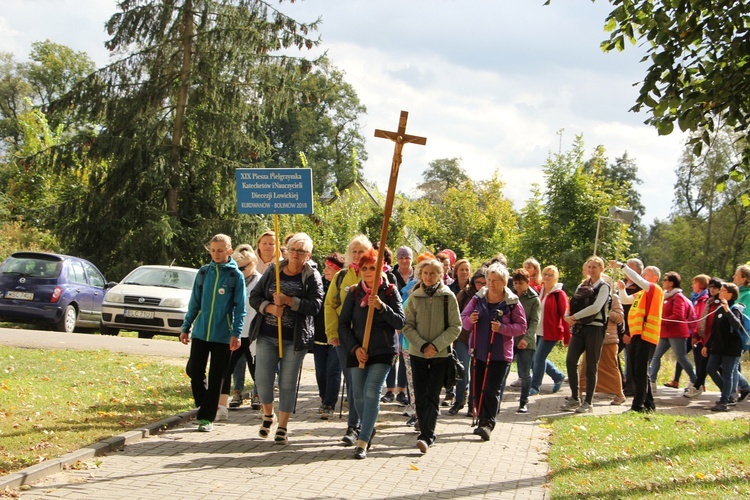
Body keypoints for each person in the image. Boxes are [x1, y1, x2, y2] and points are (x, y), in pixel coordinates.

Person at [249, 232, 323, 445]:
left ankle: (282, 426)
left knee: (287, 383)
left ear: (308, 255)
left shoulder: (311, 276)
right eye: (293, 250)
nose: (296, 255)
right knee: (262, 379)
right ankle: (267, 415)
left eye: (301, 251)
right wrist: (270, 307)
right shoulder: (274, 270)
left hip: (295, 339)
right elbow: (254, 297)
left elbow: (315, 306)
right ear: (287, 251)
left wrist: (290, 301)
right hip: (267, 335)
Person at [338, 249, 405, 459]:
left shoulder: (389, 291)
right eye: (365, 268)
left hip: (383, 351)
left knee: (371, 391)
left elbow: (400, 322)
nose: (368, 272)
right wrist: (355, 348)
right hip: (358, 350)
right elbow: (342, 324)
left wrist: (382, 307)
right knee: (357, 395)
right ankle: (368, 426)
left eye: (372, 268)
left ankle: (363, 440)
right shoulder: (354, 292)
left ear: (380, 269)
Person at [180, 234, 246, 432]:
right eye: (213, 250)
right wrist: (186, 326)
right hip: (200, 332)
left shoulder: (235, 276)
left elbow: (240, 307)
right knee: (194, 371)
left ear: (229, 250)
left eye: (220, 250)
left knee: (217, 376)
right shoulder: (203, 273)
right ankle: (205, 404)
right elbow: (194, 302)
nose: (216, 254)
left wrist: (236, 332)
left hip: (223, 335)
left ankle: (206, 419)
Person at [402, 258, 461, 454]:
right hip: (417, 353)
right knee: (420, 395)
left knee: (433, 395)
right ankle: (425, 431)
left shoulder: (448, 297)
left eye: (433, 273)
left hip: (440, 355)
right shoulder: (414, 297)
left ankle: (427, 435)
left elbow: (455, 326)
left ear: (440, 275)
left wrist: (436, 345)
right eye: (425, 273)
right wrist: (422, 345)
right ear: (420, 274)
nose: (429, 277)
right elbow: (407, 326)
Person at [462, 263, 527, 440]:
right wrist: (470, 320)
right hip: (478, 350)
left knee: (491, 389)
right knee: (477, 388)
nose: (491, 284)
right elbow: (463, 319)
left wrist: (503, 328)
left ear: (504, 282)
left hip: (500, 354)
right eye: (489, 280)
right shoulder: (478, 298)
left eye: (495, 281)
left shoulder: (512, 302)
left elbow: (522, 327)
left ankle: (487, 423)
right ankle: (480, 417)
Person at [324, 234, 372, 446]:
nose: (357, 255)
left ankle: (365, 424)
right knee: (352, 381)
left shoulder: (375, 274)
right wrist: (332, 333)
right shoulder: (341, 276)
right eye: (353, 251)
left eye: (361, 251)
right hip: (345, 338)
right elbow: (330, 305)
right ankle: (354, 426)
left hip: (369, 337)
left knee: (364, 383)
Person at [611, 259, 663, 413]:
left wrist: (622, 267)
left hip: (647, 335)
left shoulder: (655, 289)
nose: (643, 276)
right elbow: (625, 300)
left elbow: (638, 279)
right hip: (638, 335)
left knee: (640, 371)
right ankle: (649, 404)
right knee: (638, 370)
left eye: (647, 274)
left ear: (655, 278)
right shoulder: (641, 294)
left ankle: (637, 406)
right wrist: (621, 289)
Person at [561, 257, 611, 413]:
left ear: (602, 269)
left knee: (591, 365)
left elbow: (596, 307)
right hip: (580, 328)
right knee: (570, 361)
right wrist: (567, 315)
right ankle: (575, 398)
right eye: (589, 267)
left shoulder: (604, 287)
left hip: (595, 329)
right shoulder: (582, 285)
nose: (591, 270)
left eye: (594, 267)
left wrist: (575, 317)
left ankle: (588, 402)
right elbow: (573, 302)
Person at [220, 244, 262, 413]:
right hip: (234, 333)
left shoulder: (260, 282)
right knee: (226, 370)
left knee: (257, 371)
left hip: (252, 334)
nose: (239, 270)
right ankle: (224, 403)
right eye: (237, 267)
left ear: (253, 264)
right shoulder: (232, 280)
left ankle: (259, 397)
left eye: (243, 267)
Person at [578, 277, 626, 405]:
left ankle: (619, 394)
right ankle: (579, 392)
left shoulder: (614, 298)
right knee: (586, 365)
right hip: (591, 336)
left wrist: (607, 311)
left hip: (608, 338)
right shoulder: (590, 297)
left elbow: (620, 317)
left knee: (610, 367)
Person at [648, 272, 697, 392]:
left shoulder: (678, 297)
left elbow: (679, 315)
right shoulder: (665, 296)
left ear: (671, 283)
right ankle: (651, 382)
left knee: (681, 358)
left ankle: (696, 382)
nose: (663, 282)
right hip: (665, 332)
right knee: (656, 356)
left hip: (677, 333)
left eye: (665, 280)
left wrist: (662, 320)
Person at [449, 269, 486, 416]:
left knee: (476, 372)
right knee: (462, 371)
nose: (481, 285)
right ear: (473, 282)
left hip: (480, 339)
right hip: (463, 337)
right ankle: (459, 401)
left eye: (484, 282)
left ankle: (473, 404)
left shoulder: (490, 295)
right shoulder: (465, 294)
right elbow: (455, 315)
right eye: (478, 282)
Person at [703, 282, 743, 411]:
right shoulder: (718, 308)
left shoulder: (735, 308)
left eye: (723, 290)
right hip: (718, 347)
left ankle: (724, 401)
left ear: (730, 294)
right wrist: (707, 345)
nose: (720, 292)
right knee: (710, 368)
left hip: (731, 349)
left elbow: (737, 325)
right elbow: (714, 330)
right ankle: (728, 393)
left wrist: (727, 310)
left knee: (727, 374)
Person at [313, 252, 345, 420]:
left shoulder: (341, 286)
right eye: (325, 266)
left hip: (337, 335)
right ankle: (323, 398)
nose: (325, 270)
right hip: (319, 334)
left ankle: (329, 403)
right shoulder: (318, 284)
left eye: (329, 268)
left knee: (333, 370)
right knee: (320, 371)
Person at [530, 265, 570, 395]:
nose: (547, 277)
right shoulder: (539, 291)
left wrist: (567, 336)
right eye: (545, 274)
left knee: (539, 358)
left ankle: (535, 386)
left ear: (556, 278)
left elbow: (565, 316)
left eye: (550, 275)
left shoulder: (559, 294)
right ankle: (558, 376)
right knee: (534, 357)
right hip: (537, 330)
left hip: (551, 332)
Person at [665, 274, 709, 388]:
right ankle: (678, 380)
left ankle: (698, 383)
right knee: (681, 356)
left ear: (702, 284)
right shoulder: (695, 298)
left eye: (695, 283)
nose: (692, 285)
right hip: (690, 331)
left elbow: (700, 317)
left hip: (696, 332)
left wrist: (696, 333)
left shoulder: (704, 299)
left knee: (696, 358)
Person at [684, 277, 722, 398]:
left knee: (716, 367)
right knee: (705, 365)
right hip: (704, 338)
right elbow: (700, 320)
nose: (712, 289)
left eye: (715, 287)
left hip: (715, 340)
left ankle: (733, 389)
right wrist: (696, 334)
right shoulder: (708, 303)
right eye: (710, 287)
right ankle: (698, 386)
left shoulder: (721, 304)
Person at [511, 268, 540, 414]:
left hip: (526, 341)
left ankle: (523, 401)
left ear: (527, 282)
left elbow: (535, 321)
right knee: (503, 371)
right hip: (510, 338)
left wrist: (526, 339)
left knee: (524, 373)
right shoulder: (510, 296)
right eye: (515, 283)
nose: (517, 286)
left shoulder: (534, 299)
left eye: (520, 283)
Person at [619, 259, 643, 397]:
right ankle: (620, 382)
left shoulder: (640, 287)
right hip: (618, 325)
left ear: (638, 272)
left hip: (631, 327)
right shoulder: (621, 283)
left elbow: (635, 310)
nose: (626, 271)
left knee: (631, 357)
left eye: (630, 268)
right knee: (612, 354)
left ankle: (631, 387)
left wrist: (629, 331)